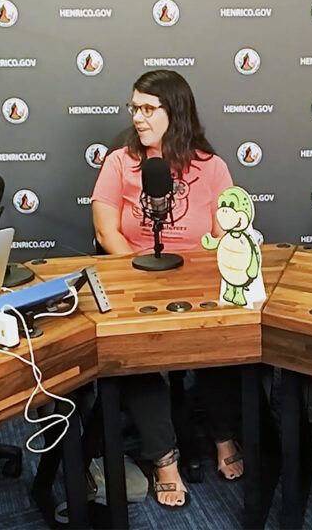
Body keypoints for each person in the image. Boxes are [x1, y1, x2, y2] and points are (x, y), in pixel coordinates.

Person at [90, 69, 242, 507]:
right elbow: (106, 230)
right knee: (136, 354)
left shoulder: (212, 168)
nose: (137, 117)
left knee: (225, 339)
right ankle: (163, 458)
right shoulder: (120, 162)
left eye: (147, 108)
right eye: (133, 107)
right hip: (135, 277)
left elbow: (223, 234)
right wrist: (137, 275)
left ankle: (223, 435)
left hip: (199, 280)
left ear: (174, 113)